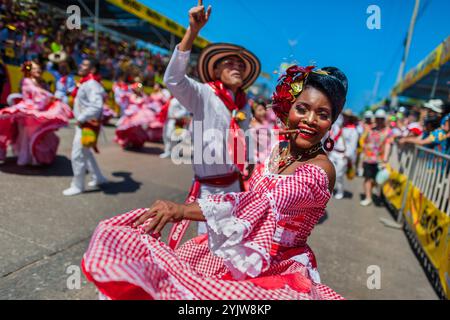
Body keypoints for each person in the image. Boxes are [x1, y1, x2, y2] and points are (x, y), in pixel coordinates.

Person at [81, 60, 349, 300]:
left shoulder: (319, 170)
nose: (311, 120)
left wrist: (182, 210)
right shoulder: (278, 148)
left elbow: (260, 204)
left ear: (332, 122)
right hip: (238, 247)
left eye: (323, 115)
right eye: (302, 108)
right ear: (288, 108)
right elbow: (251, 176)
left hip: (278, 268)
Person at [162, 3, 258, 238]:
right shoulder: (204, 94)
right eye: (230, 63)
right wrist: (192, 31)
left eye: (241, 65)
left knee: (233, 247)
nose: (237, 67)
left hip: (237, 188)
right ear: (215, 72)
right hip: (209, 189)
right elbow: (173, 80)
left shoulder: (244, 104)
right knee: (208, 247)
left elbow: (245, 137)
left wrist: (250, 161)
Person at [0, 60, 72, 165]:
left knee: (41, 134)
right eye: (34, 68)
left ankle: (36, 158)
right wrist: (50, 97)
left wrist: (51, 99)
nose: (37, 70)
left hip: (39, 109)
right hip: (28, 111)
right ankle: (28, 157)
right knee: (28, 135)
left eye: (38, 68)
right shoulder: (27, 81)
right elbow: (38, 94)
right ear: (30, 71)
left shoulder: (41, 82)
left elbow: (45, 96)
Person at [63, 58, 108, 196]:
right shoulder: (86, 83)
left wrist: (81, 118)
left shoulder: (92, 84)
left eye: (85, 64)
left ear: (93, 69)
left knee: (77, 155)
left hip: (86, 124)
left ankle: (78, 186)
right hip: (84, 123)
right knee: (86, 153)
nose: (80, 66)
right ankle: (99, 178)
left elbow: (97, 106)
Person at [360, 109, 393, 206]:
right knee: (367, 178)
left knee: (377, 180)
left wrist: (385, 159)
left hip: (379, 160)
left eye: (381, 119)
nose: (379, 121)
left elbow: (388, 145)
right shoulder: (370, 129)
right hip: (368, 158)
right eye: (378, 118)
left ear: (384, 119)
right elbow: (364, 141)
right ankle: (368, 197)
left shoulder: (388, 131)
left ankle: (375, 196)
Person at [115, 81, 159, 149]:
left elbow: (146, 105)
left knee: (135, 130)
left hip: (137, 115)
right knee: (126, 128)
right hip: (129, 114)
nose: (138, 90)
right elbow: (122, 95)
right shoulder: (130, 95)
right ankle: (126, 141)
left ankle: (134, 142)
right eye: (137, 88)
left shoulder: (143, 97)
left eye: (139, 88)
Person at [328, 109, 359, 199]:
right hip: (334, 152)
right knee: (330, 173)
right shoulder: (338, 127)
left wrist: (347, 155)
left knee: (338, 174)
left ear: (350, 118)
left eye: (347, 116)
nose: (345, 118)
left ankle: (340, 191)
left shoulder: (353, 130)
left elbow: (353, 145)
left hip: (343, 155)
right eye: (344, 116)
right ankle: (330, 191)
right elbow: (332, 138)